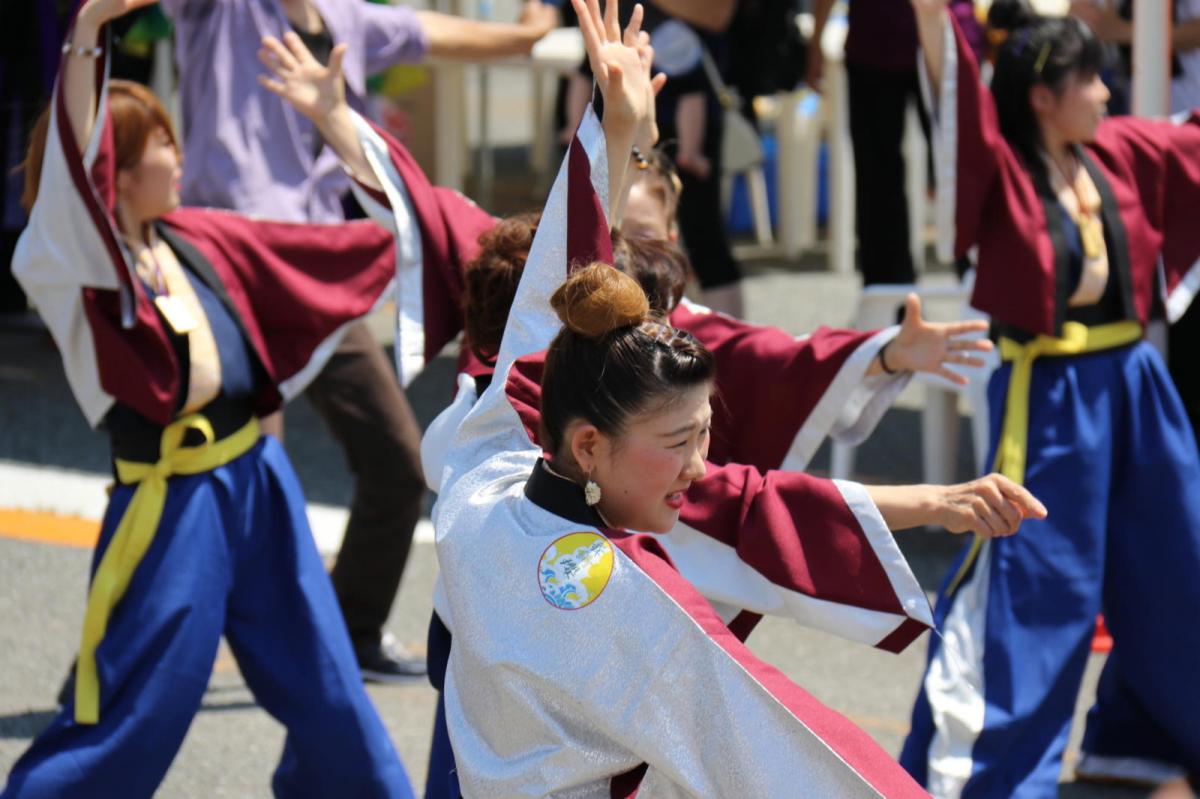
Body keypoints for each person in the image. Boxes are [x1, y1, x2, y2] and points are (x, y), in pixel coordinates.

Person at [417, 2, 1046, 793]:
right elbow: (781, 741)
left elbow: (545, 312)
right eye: (680, 443)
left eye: (704, 437)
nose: (700, 466)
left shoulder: (480, 474)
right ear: (588, 444)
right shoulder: (630, 601)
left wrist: (613, 130)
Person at [158, 0, 556, 679]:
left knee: (396, 461)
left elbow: (435, 33)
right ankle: (129, 657)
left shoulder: (347, 19)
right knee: (232, 476)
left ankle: (350, 633)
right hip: (222, 271)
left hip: (311, 277)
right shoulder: (221, 10)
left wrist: (525, 36)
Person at [899, 0, 1200, 795]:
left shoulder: (1118, 150)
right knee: (1038, 585)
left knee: (1178, 558)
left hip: (1135, 385)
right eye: (1089, 81)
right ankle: (987, 773)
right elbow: (954, 104)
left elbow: (1193, 144)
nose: (1106, 93)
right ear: (1041, 96)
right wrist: (933, 21)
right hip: (1051, 395)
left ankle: (1141, 735)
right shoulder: (1000, 169)